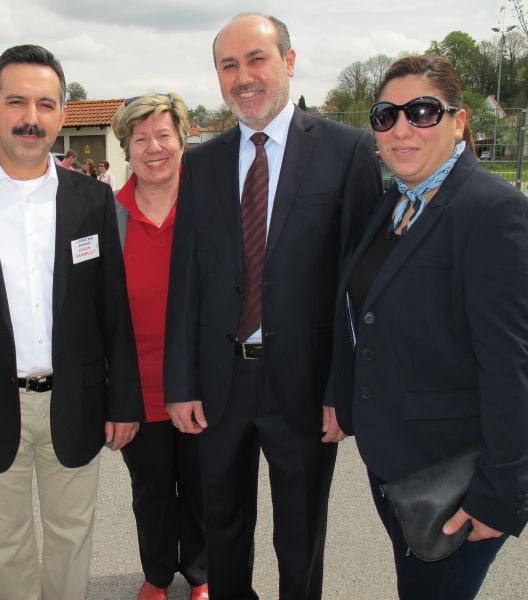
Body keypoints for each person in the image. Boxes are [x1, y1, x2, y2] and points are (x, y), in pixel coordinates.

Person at [164, 13, 382, 600]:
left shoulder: (346, 152)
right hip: (221, 383)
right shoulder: (201, 163)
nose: (243, 77)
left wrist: (343, 387)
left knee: (300, 538)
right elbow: (187, 280)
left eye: (256, 59)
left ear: (288, 61)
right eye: (228, 65)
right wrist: (181, 383)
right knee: (223, 530)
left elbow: (361, 286)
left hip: (306, 386)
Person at [0, 44, 143, 600]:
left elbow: (112, 307)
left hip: (77, 399)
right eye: (16, 102)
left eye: (46, 104)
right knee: (4, 545)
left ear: (62, 115)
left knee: (72, 536)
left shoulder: (92, 199)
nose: (31, 118)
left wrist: (123, 401)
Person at [326, 54, 528, 600]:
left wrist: (501, 496)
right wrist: (341, 397)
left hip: (457, 478)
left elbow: (511, 367)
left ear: (459, 122)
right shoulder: (396, 202)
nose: (401, 129)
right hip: (396, 466)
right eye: (385, 115)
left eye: (421, 112)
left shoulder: (491, 211)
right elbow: (363, 315)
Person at [111, 93, 208, 600]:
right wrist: (113, 397)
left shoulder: (210, 207)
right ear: (126, 148)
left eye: (163, 135)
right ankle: (157, 574)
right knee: (150, 490)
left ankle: (201, 573)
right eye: (140, 138)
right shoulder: (108, 214)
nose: (153, 148)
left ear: (182, 141)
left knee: (202, 485)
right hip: (139, 387)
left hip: (200, 383)